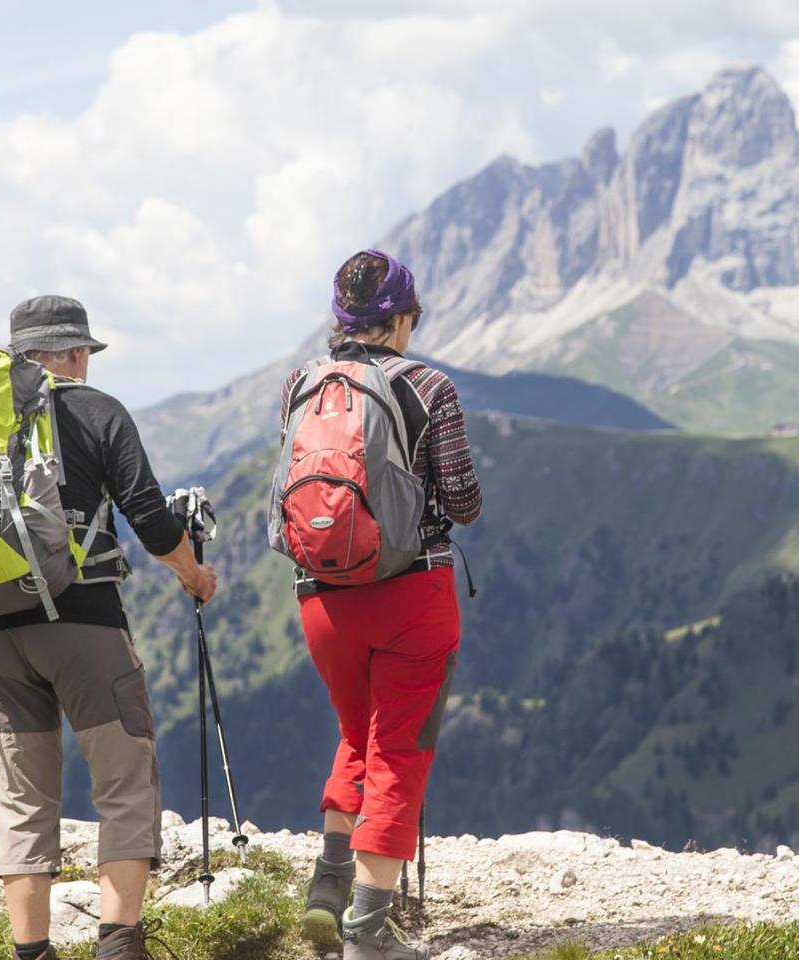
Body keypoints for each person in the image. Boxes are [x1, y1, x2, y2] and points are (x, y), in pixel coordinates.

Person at [0, 295, 217, 960]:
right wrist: (194, 575)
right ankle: (117, 945)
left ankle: (32, 952)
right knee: (124, 784)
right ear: (75, 353)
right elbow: (150, 518)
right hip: (83, 624)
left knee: (23, 801)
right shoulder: (96, 410)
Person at [284, 251, 483, 960]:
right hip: (411, 596)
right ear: (401, 319)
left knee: (356, 732)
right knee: (398, 748)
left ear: (341, 318)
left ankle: (328, 888)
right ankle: (369, 928)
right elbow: (463, 502)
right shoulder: (429, 386)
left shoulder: (301, 385)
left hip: (322, 600)